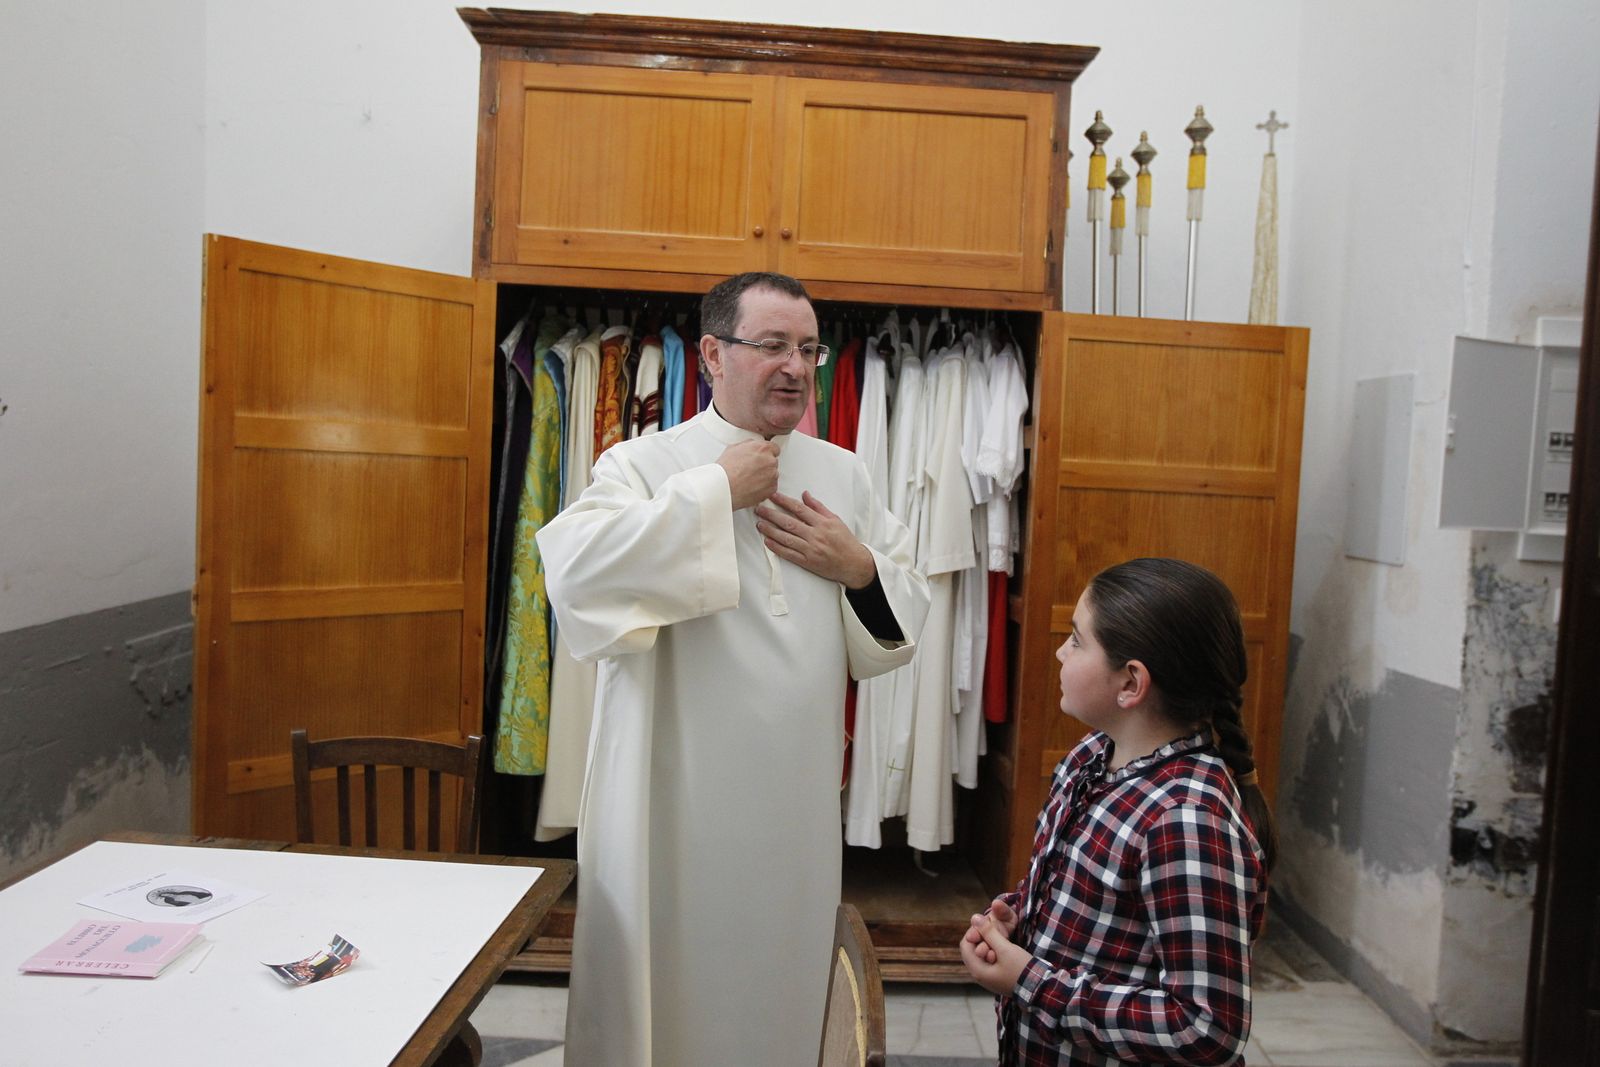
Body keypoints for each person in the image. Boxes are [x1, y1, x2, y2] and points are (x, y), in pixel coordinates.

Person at [537, 271, 930, 1067]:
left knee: (774, 1001)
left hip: (792, 807)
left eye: (809, 349)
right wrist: (715, 490)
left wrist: (858, 567)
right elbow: (575, 575)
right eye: (774, 345)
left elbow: (903, 606)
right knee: (667, 997)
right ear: (713, 353)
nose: (796, 366)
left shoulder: (843, 473)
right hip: (670, 801)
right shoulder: (644, 464)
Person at [960, 557, 1274, 1066]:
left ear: (1131, 683)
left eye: (1077, 640)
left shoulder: (1186, 820)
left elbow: (1207, 1028)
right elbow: (1088, 895)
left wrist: (1030, 979)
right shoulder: (1091, 757)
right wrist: (1018, 915)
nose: (1060, 651)